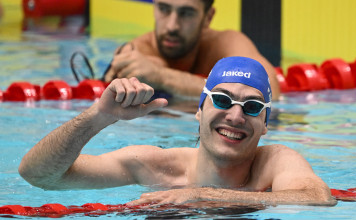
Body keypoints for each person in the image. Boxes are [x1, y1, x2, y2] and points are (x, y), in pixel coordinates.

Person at [19, 56, 336, 207]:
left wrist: (200, 195)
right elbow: (38, 176)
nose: (236, 116)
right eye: (222, 101)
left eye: (252, 107)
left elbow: (317, 198)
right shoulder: (154, 165)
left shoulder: (275, 162)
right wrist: (97, 117)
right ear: (200, 109)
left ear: (265, 124)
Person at [103, 0, 281, 100]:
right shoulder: (138, 54)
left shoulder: (223, 45)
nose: (172, 26)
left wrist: (161, 77)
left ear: (208, 18)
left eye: (186, 13)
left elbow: (269, 89)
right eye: (164, 9)